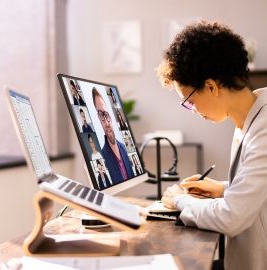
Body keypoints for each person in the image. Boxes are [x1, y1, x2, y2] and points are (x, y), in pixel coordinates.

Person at [157, 20, 267, 270]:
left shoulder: (264, 126)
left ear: (211, 86)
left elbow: (231, 217)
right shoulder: (249, 120)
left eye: (189, 101)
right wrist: (223, 188)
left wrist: (179, 201)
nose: (192, 110)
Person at [92, 87, 134, 183]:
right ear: (98, 118)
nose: (106, 122)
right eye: (101, 114)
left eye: (106, 114)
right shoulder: (102, 158)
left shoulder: (126, 149)